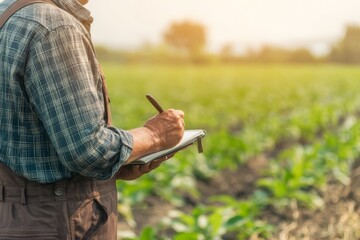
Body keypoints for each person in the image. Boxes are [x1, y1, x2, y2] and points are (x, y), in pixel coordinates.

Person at [0, 0, 185, 239]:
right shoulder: (54, 27)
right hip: (56, 222)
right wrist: (155, 134)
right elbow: (88, 150)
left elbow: (27, 139)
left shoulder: (9, 14)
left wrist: (117, 167)